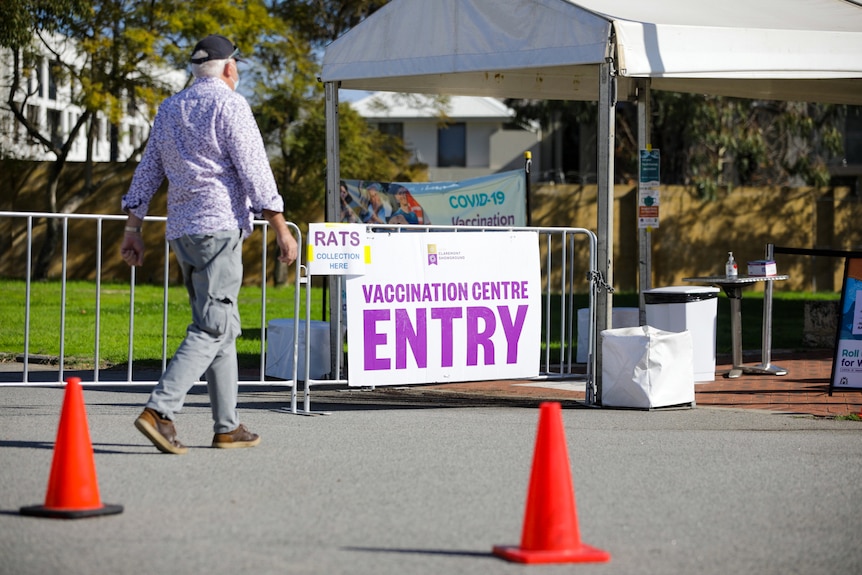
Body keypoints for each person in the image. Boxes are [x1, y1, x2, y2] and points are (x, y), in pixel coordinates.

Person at [119, 34, 298, 454]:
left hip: (183, 231)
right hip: (219, 229)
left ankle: (227, 426)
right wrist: (280, 225)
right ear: (230, 68)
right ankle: (159, 412)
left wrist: (133, 228)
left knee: (223, 328)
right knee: (212, 325)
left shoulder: (169, 108)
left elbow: (147, 171)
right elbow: (255, 168)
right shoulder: (230, 104)